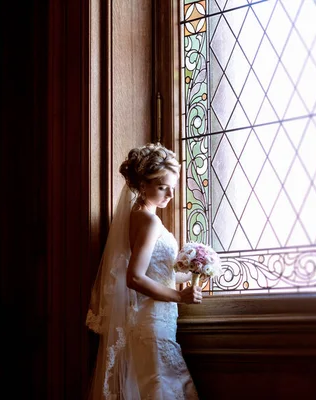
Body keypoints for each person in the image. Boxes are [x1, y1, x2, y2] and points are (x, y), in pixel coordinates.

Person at [86, 143, 201, 399]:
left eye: (172, 187)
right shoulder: (149, 221)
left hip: (150, 320)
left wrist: (194, 269)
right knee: (160, 388)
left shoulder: (135, 216)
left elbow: (157, 272)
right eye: (162, 187)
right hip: (153, 322)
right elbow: (135, 277)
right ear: (142, 185)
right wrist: (180, 297)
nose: (170, 195)